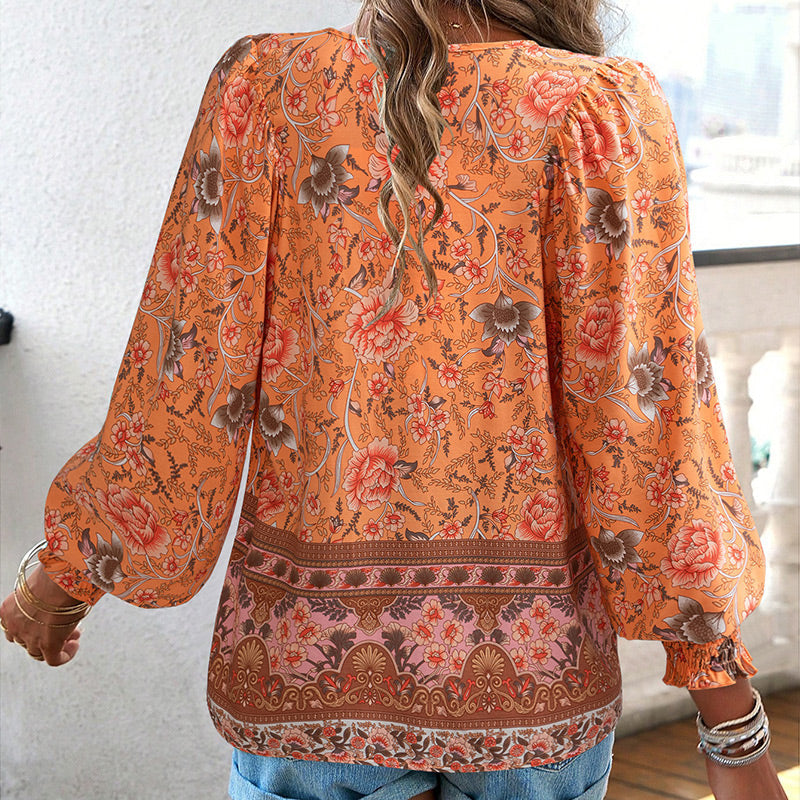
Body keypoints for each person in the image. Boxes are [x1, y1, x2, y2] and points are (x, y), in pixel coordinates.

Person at [0, 2, 789, 799]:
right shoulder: (597, 110)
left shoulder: (272, 88)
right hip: (530, 687)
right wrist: (730, 727)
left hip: (304, 671)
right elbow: (647, 431)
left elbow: (186, 375)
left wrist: (67, 576)